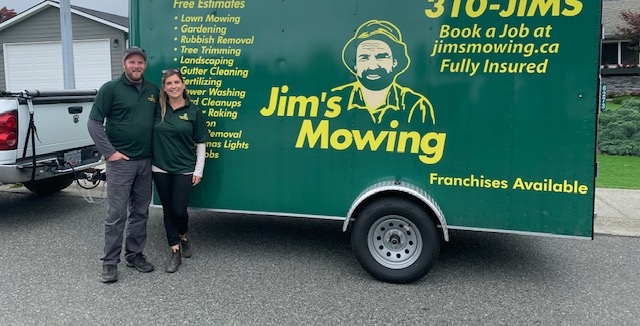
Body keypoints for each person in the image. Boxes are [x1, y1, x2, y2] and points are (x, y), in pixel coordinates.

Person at [88, 46, 159, 283]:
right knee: (117, 214)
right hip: (121, 164)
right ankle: (109, 263)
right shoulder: (110, 89)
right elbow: (94, 123)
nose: (136, 66)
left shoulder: (152, 90)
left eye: (140, 62)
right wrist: (110, 153)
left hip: (145, 162)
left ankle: (135, 254)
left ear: (145, 65)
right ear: (124, 64)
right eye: (132, 62)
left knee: (140, 212)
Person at [152, 68, 207, 273]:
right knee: (167, 210)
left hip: (184, 168)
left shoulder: (193, 111)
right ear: (164, 88)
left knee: (179, 210)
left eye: (177, 83)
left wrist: (198, 170)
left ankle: (183, 235)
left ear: (183, 85)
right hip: (160, 167)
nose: (173, 86)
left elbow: (201, 142)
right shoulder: (157, 109)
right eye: (169, 84)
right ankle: (175, 251)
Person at [331, 20, 436, 125]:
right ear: (355, 65)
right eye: (364, 57)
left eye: (381, 57)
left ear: (395, 62)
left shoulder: (416, 105)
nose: (372, 66)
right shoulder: (334, 100)